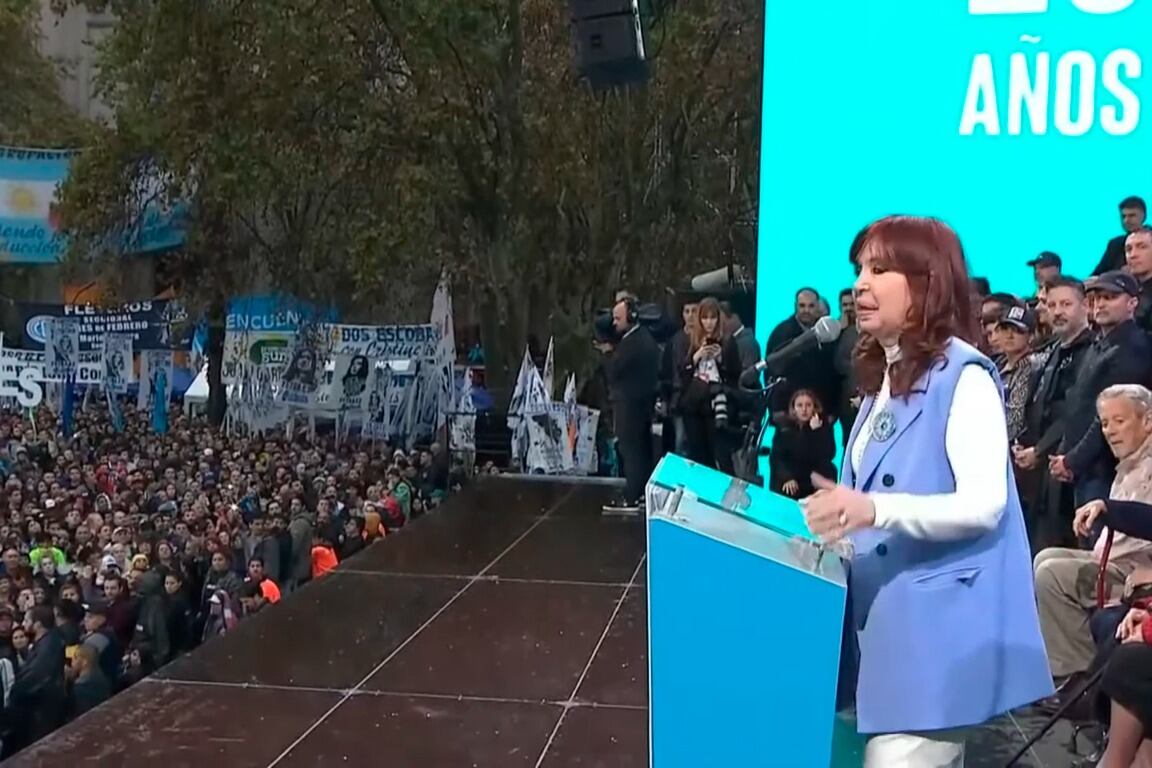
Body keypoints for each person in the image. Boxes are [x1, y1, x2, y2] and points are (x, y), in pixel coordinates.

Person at [800, 215, 1051, 766]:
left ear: (928, 282)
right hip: (886, 629)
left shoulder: (966, 377)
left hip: (936, 636)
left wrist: (871, 509)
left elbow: (984, 505)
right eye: (860, 270)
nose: (860, 284)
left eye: (879, 269)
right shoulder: (882, 381)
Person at [598, 294, 660, 512]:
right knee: (638, 450)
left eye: (618, 318)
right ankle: (639, 493)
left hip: (630, 404)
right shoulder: (642, 338)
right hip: (639, 402)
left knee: (631, 450)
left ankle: (632, 496)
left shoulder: (633, 343)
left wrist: (608, 354)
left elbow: (614, 371)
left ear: (631, 317)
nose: (614, 323)